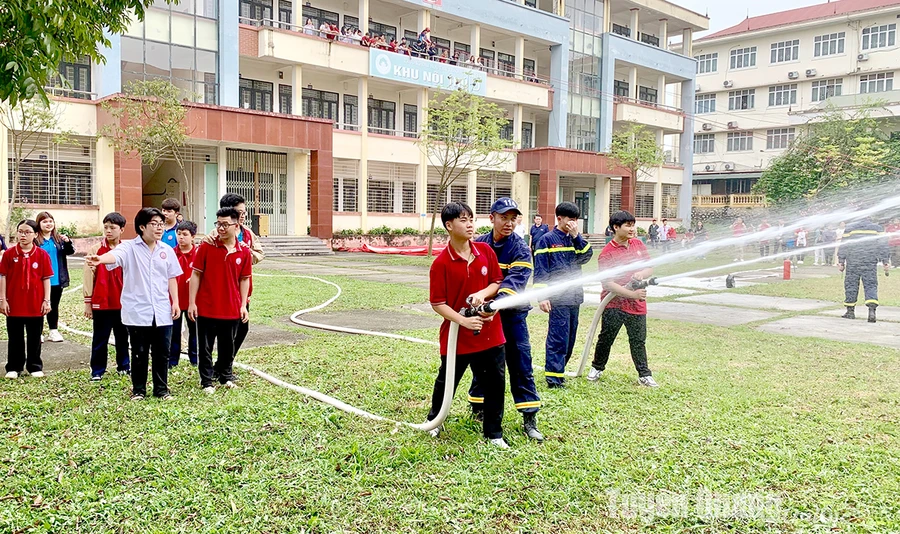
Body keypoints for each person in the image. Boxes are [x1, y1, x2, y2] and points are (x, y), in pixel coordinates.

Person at [424, 202, 508, 448]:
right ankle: (434, 421)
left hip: (491, 333)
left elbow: (496, 282)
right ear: (449, 226)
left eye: (471, 218)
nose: (470, 224)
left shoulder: (485, 251)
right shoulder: (441, 264)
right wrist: (462, 320)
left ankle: (494, 433)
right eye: (463, 219)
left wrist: (483, 295)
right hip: (457, 337)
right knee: (446, 380)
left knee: (495, 382)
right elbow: (438, 303)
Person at [86, 208, 182, 401]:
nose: (159, 228)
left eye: (161, 224)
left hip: (162, 309)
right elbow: (114, 256)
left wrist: (176, 302)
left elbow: (171, 277)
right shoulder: (129, 247)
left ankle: (161, 390)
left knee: (162, 352)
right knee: (139, 352)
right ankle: (139, 390)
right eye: (154, 224)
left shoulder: (166, 250)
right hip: (138, 310)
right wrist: (100, 259)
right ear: (142, 227)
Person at [468, 198, 543, 442]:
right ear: (492, 218)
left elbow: (515, 282)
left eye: (513, 218)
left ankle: (529, 418)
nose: (509, 223)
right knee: (482, 363)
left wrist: (495, 305)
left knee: (520, 363)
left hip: (511, 317)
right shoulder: (478, 244)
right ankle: (478, 408)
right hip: (485, 316)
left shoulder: (520, 249)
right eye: (504, 218)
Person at [588, 211, 658, 387]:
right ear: (616, 227)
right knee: (606, 338)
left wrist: (641, 273)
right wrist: (631, 294)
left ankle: (644, 374)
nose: (632, 229)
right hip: (614, 304)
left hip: (637, 304)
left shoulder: (638, 245)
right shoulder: (607, 253)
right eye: (628, 225)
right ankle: (597, 368)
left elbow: (649, 268)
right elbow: (608, 285)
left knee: (638, 340)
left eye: (633, 225)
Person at [189, 208, 252, 393]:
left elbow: (244, 279)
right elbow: (196, 274)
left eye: (225, 224)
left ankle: (225, 376)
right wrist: (192, 302)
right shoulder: (207, 247)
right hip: (207, 307)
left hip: (231, 307)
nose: (221, 229)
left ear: (236, 225)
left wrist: (243, 305)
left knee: (228, 345)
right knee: (205, 347)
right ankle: (206, 381)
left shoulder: (244, 252)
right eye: (218, 224)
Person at [533, 201, 593, 388]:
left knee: (570, 339)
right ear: (559, 218)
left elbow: (586, 256)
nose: (573, 223)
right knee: (558, 338)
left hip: (574, 297)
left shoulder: (575, 239)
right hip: (558, 299)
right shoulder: (547, 240)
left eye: (576, 220)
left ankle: (559, 371)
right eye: (570, 219)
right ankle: (553, 379)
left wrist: (576, 236)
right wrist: (542, 296)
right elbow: (541, 270)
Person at [202, 193, 264, 356]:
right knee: (219, 333)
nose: (242, 217)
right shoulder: (213, 236)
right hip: (221, 292)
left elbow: (259, 254)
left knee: (242, 329)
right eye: (239, 213)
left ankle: (224, 364)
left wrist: (246, 253)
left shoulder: (248, 233)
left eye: (244, 213)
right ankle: (215, 368)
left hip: (242, 291)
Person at [1, 220, 52, 379]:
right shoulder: (9, 254)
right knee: (14, 336)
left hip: (35, 303)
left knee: (35, 336)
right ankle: (14, 367)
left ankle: (34, 366)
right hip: (14, 303)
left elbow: (46, 279)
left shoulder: (42, 254)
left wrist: (47, 300)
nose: (23, 235)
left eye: (27, 232)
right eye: (20, 231)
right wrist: (2, 299)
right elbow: (3, 276)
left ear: (36, 234)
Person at [84, 212, 131, 381]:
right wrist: (88, 302)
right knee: (100, 338)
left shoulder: (126, 249)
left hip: (123, 302)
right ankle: (97, 370)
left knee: (123, 337)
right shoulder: (96, 249)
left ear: (122, 229)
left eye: (112, 227)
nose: (108, 231)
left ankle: (124, 366)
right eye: (106, 227)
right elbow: (89, 276)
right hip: (102, 301)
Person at [838, 217, 890, 323]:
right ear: (869, 218)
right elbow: (883, 245)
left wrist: (841, 261)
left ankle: (850, 311)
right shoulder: (877, 228)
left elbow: (844, 245)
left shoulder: (850, 228)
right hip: (870, 262)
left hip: (853, 261)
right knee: (871, 285)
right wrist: (885, 261)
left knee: (851, 285)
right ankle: (871, 312)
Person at [36, 211, 75, 343]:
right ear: (39, 224)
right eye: (45, 221)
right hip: (39, 280)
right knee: (39, 306)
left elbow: (70, 252)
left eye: (50, 221)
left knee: (54, 305)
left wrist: (68, 242)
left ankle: (53, 331)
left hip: (57, 279)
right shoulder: (36, 240)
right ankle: (38, 332)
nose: (48, 224)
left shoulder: (58, 239)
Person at [169, 221, 199, 368]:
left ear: (193, 237)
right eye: (179, 234)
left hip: (193, 301)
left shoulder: (199, 254)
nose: (181, 237)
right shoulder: (170, 253)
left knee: (194, 332)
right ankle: (172, 360)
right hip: (174, 300)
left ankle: (195, 359)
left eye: (185, 235)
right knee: (174, 332)